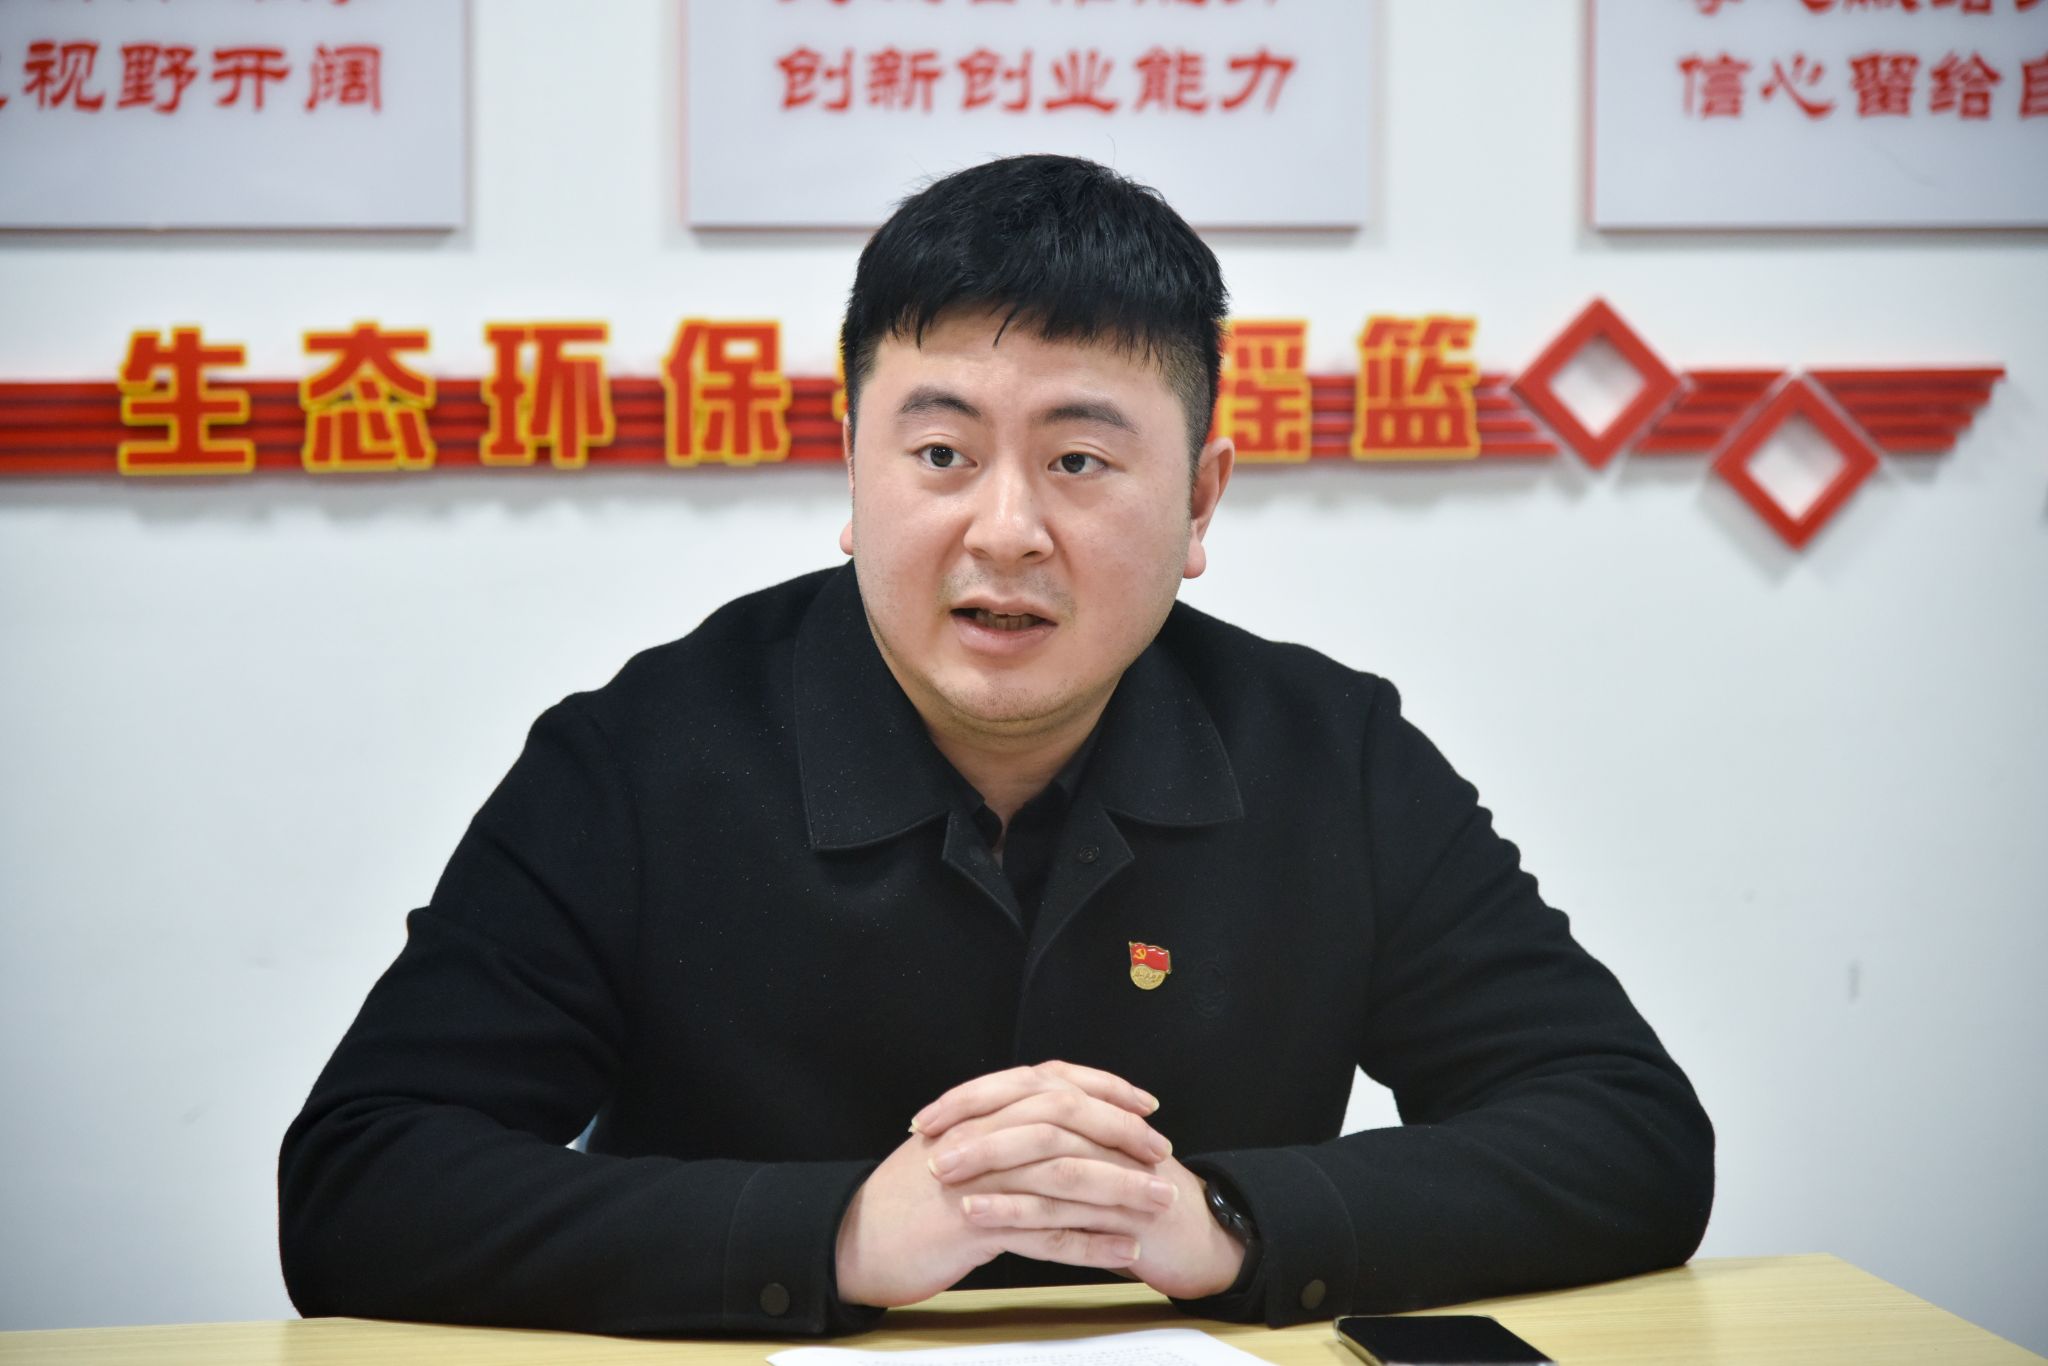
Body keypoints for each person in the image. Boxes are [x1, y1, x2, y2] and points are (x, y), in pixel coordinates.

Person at [278, 154, 1713, 1337]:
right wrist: (836, 1233)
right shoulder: (636, 760)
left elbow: (1627, 1131)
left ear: (1200, 500)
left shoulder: (1330, 755)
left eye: (1080, 460)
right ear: (852, 471)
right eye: (941, 454)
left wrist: (1221, 1221)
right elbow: (361, 1181)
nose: (1008, 529)